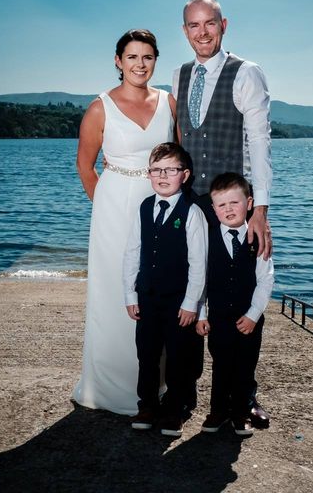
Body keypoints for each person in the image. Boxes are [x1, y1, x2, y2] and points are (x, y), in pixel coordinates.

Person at [172, 0, 273, 427]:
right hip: (189, 203)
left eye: (209, 23)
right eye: (193, 25)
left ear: (223, 24)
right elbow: (180, 138)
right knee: (188, 297)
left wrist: (259, 210)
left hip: (230, 205)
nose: (202, 32)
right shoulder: (178, 76)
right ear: (185, 31)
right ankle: (183, 393)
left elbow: (260, 143)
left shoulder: (245, 72)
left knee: (237, 299)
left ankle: (242, 395)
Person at [73, 29, 177, 416]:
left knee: (158, 289)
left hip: (161, 206)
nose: (140, 64)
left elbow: (179, 158)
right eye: (132, 57)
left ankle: (158, 382)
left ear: (155, 61)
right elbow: (85, 167)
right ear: (118, 61)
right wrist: (106, 207)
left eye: (147, 57)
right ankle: (110, 387)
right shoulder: (100, 107)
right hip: (115, 207)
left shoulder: (169, 102)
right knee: (115, 293)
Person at [122, 142, 208, 436]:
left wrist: (192, 303)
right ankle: (146, 404)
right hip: (147, 297)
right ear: (149, 174)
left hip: (178, 301)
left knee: (178, 357)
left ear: (184, 175)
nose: (162, 176)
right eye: (156, 170)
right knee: (146, 355)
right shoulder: (144, 207)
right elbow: (132, 253)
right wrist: (130, 294)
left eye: (170, 170)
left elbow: (199, 264)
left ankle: (176, 409)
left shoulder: (192, 212)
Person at [196, 172, 274, 437]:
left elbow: (265, 281)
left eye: (235, 203)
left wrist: (253, 315)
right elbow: (201, 280)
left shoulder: (258, 237)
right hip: (218, 318)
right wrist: (201, 314)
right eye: (221, 205)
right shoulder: (207, 239)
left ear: (249, 204)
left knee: (244, 366)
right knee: (221, 365)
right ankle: (218, 412)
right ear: (213, 209)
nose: (228, 209)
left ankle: (240, 414)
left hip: (249, 320)